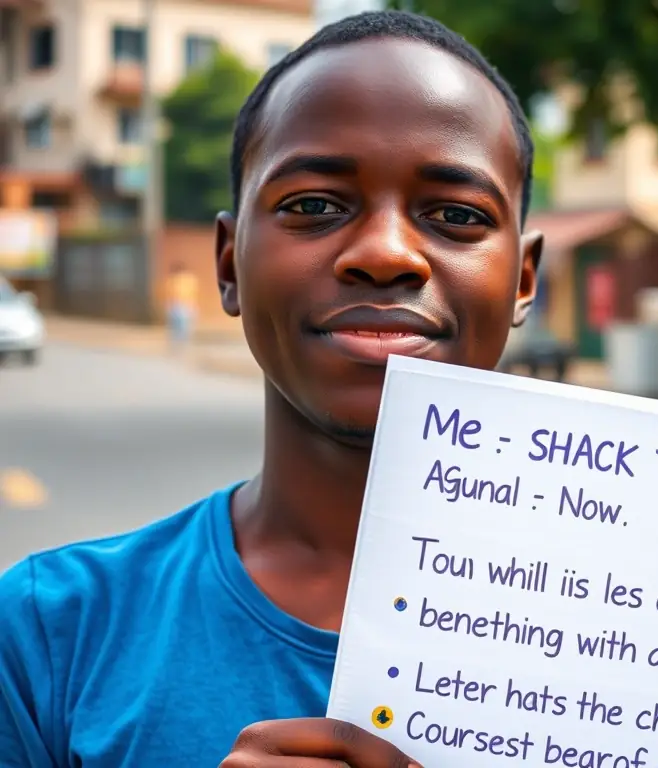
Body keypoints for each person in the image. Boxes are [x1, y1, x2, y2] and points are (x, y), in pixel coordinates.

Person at [0, 10, 541, 767]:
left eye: (455, 215)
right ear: (228, 264)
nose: (385, 254)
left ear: (523, 278)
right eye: (313, 205)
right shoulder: (49, 633)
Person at [166, 260, 199, 351]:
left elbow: (171, 293)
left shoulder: (176, 280)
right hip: (183, 304)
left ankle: (180, 345)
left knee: (181, 328)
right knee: (181, 327)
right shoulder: (188, 279)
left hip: (182, 304)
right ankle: (180, 345)